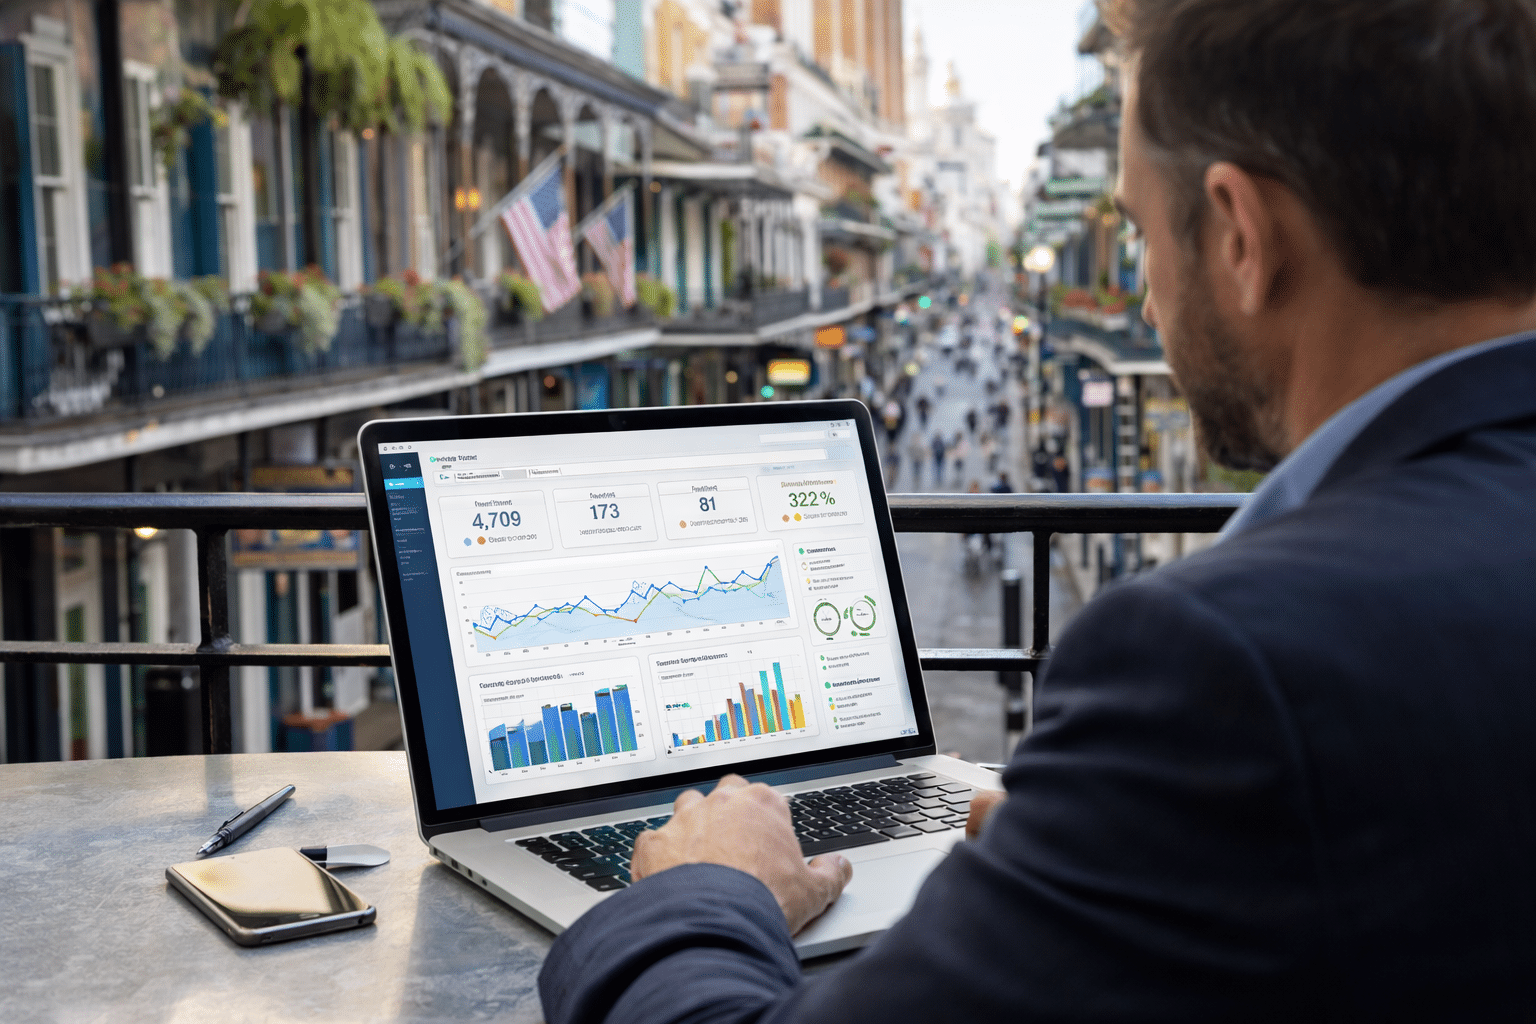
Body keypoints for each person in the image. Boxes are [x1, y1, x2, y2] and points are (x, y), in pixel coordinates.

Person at [539, 1, 1536, 1017]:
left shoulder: (1225, 663)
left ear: (1241, 234)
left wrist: (709, 890)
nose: (1146, 300)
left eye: (1140, 232)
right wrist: (1113, 838)